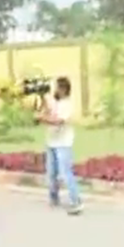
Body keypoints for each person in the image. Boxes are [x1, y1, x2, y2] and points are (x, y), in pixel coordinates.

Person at [36, 77, 82, 214]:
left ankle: (76, 201)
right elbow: (47, 109)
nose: (55, 90)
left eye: (57, 87)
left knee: (66, 172)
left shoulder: (67, 105)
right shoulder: (55, 101)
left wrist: (41, 119)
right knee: (51, 173)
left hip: (63, 143)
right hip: (51, 141)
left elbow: (58, 121)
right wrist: (41, 96)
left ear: (63, 89)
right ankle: (53, 198)